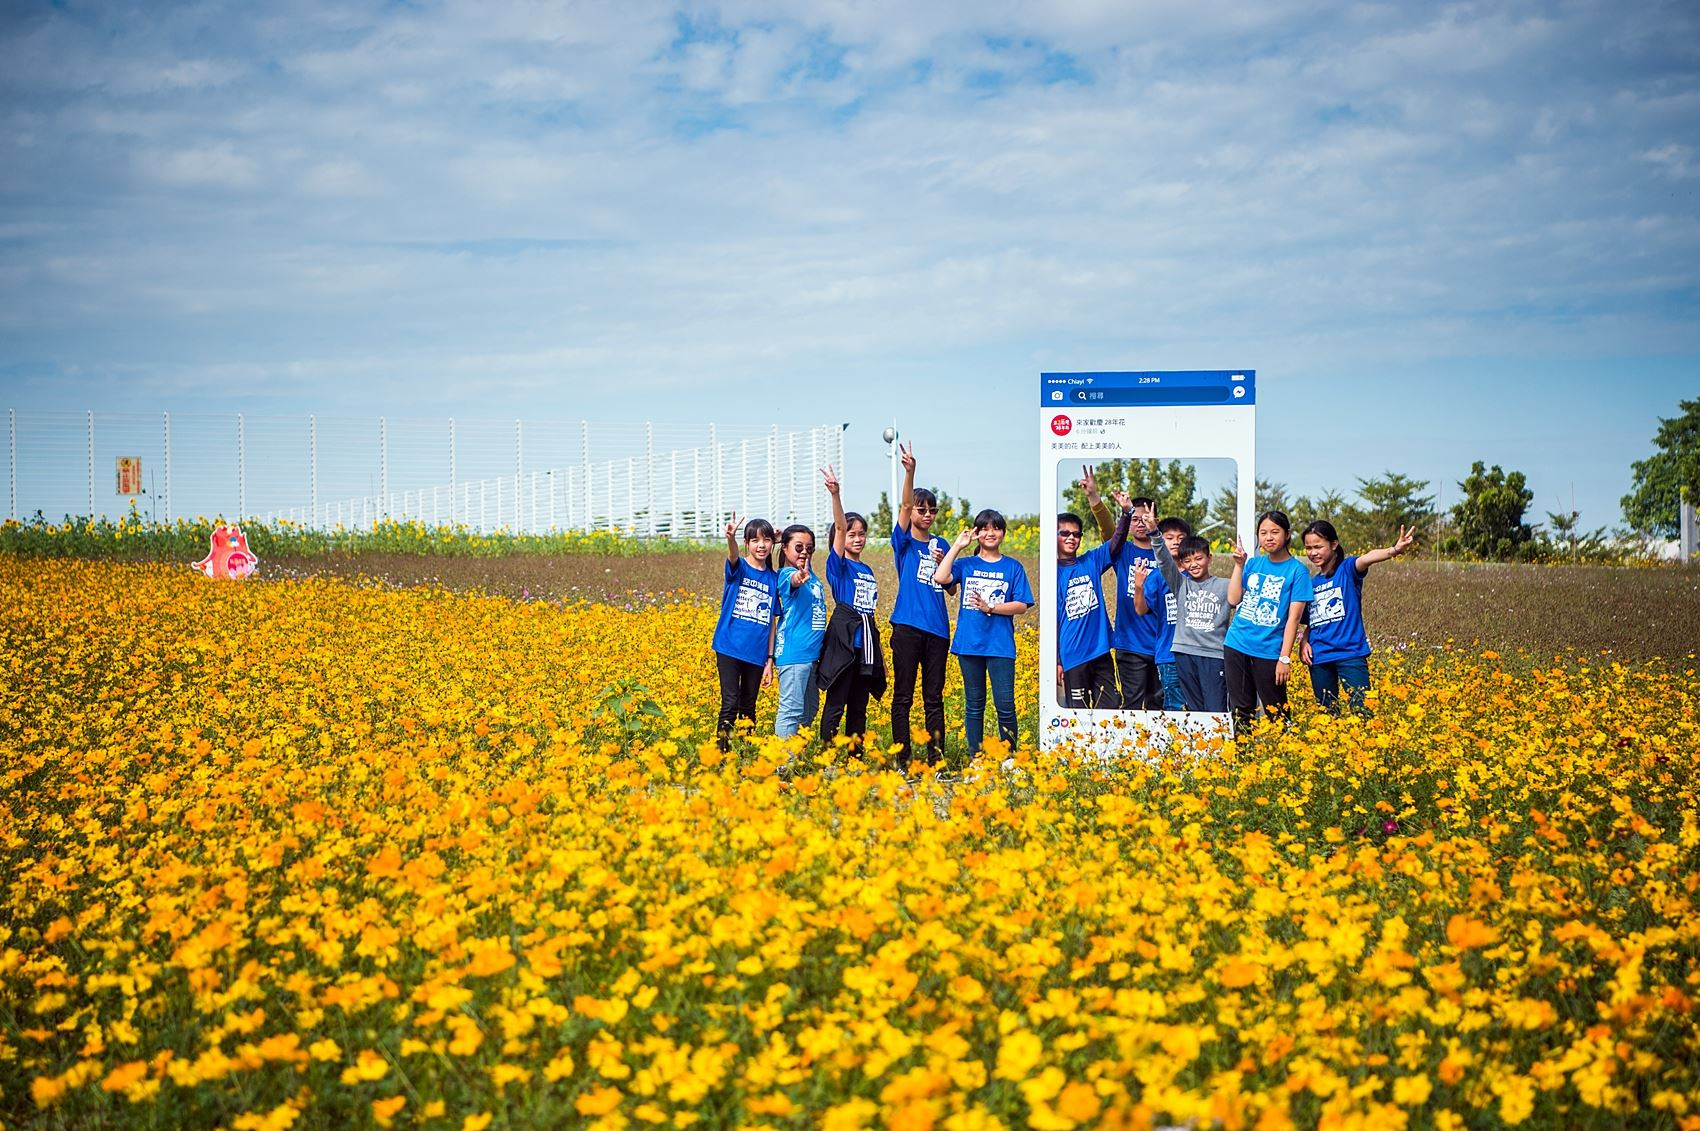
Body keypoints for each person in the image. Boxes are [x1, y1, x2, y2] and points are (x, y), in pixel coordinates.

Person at [936, 509, 1033, 755]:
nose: (991, 533)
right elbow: (940, 576)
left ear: (1003, 533)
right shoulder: (966, 564)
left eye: (996, 528)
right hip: (970, 644)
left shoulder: (1013, 567)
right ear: (977, 533)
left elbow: (1021, 605)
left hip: (1000, 646)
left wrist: (991, 607)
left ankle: (1009, 755)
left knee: (1005, 705)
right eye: (985, 529)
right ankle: (975, 757)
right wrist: (957, 546)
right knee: (974, 706)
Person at [1300, 520, 1417, 713]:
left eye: (1318, 546)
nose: (1313, 553)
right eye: (1308, 548)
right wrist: (1304, 640)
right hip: (1319, 657)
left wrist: (1394, 549)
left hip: (1350, 654)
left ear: (1334, 544)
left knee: (1362, 711)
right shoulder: (1312, 584)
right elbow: (1313, 620)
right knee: (1326, 717)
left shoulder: (1347, 570)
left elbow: (1368, 557)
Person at [887, 442, 955, 770]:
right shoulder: (903, 542)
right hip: (907, 628)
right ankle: (903, 759)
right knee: (903, 696)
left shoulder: (942, 544)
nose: (926, 515)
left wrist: (946, 565)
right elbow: (902, 506)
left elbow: (952, 588)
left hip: (938, 631)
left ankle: (936, 759)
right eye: (921, 509)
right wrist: (910, 472)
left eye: (931, 510)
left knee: (933, 698)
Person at [817, 465, 886, 750]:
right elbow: (841, 526)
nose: (856, 538)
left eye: (861, 534)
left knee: (859, 706)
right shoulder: (838, 566)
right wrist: (836, 494)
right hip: (844, 644)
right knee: (836, 704)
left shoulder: (867, 569)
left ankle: (855, 758)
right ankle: (828, 757)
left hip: (866, 646)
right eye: (851, 534)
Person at [1224, 510, 1314, 729]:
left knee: (1277, 710)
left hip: (1268, 650)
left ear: (1287, 534)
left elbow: (1293, 619)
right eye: (1263, 533)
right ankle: (1243, 758)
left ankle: (1286, 757)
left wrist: (1284, 658)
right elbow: (1234, 599)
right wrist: (1239, 565)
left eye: (1275, 532)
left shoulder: (1297, 571)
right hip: (1237, 643)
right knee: (1240, 709)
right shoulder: (1253, 564)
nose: (1269, 537)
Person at [712, 514, 779, 750]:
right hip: (729, 646)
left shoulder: (774, 578)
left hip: (757, 653)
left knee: (749, 706)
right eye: (755, 540)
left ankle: (745, 756)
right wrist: (730, 538)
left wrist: (770, 659)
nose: (761, 545)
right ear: (746, 543)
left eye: (767, 540)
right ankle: (722, 756)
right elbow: (732, 555)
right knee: (730, 703)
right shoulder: (738, 567)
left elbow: (772, 622)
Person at [1056, 499, 1130, 709]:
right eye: (1065, 533)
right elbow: (1054, 620)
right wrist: (1057, 661)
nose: (1072, 538)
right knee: (1078, 713)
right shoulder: (1053, 573)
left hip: (1100, 650)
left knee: (1111, 707)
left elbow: (1116, 541)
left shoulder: (1090, 561)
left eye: (1077, 534)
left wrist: (1126, 514)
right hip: (1072, 656)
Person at [1149, 532, 1235, 712]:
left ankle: (1219, 739)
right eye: (1187, 561)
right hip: (1184, 652)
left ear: (1209, 558)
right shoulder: (1180, 584)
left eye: (1198, 558)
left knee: (1215, 707)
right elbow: (1164, 562)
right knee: (1195, 709)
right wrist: (1155, 534)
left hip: (1213, 654)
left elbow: (1238, 598)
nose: (1193, 564)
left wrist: (1240, 564)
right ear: (1181, 564)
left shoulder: (1224, 585)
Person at [1130, 514, 1193, 711]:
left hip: (1197, 652)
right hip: (1169, 654)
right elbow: (1141, 609)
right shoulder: (1156, 577)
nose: (1176, 542)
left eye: (1181, 538)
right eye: (1170, 537)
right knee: (1174, 706)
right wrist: (1138, 586)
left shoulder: (1196, 573)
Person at [1109, 496, 1164, 709]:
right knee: (1131, 707)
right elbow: (1109, 529)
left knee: (1159, 708)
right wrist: (1094, 497)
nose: (1140, 523)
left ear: (1156, 520)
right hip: (1130, 643)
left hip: (1162, 646)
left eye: (1146, 518)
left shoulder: (1165, 553)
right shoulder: (1121, 551)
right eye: (1135, 519)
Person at [773, 524, 827, 737]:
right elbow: (794, 581)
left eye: (809, 548)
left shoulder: (810, 574)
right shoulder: (787, 574)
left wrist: (804, 567)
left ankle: (794, 757)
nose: (804, 552)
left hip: (812, 657)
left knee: (809, 710)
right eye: (798, 547)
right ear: (785, 549)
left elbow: (804, 571)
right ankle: (782, 765)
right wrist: (798, 577)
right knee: (791, 711)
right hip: (794, 654)